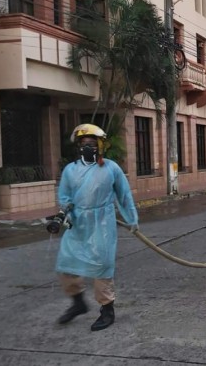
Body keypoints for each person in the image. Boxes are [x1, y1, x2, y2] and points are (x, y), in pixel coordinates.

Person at [53, 123, 139, 331]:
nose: (88, 147)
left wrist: (132, 219)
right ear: (78, 147)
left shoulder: (110, 168)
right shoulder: (70, 170)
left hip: (103, 222)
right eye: (84, 144)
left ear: (100, 146)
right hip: (78, 223)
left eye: (92, 143)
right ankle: (78, 303)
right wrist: (67, 213)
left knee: (102, 267)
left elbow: (124, 195)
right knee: (66, 263)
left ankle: (107, 310)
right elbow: (64, 196)